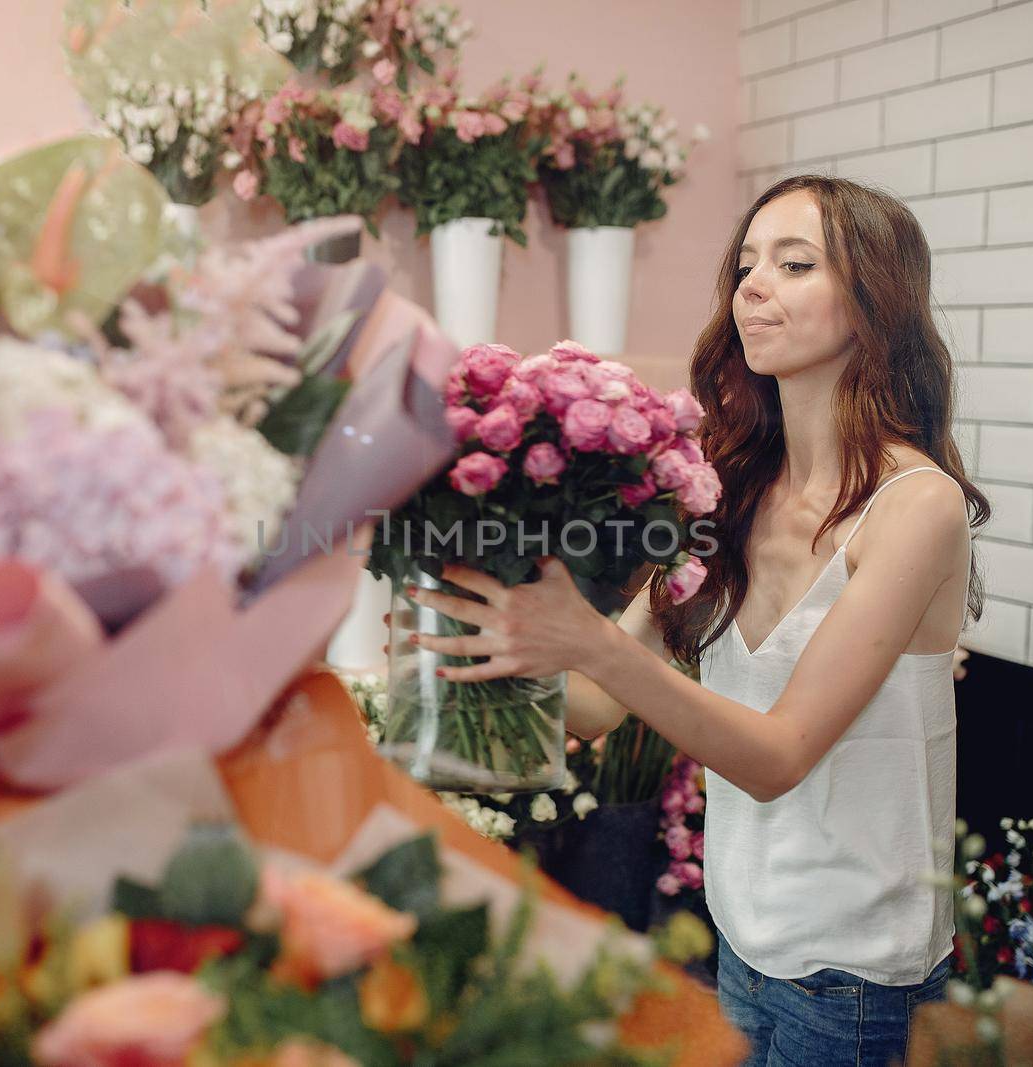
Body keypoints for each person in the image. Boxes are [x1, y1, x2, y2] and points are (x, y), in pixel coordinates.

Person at [400, 174, 991, 1066]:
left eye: (795, 264)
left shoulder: (916, 506)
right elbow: (602, 707)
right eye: (747, 264)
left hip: (860, 977)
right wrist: (477, 644)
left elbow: (778, 756)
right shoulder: (728, 493)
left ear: (876, 300)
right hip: (742, 943)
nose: (753, 285)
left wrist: (586, 634)